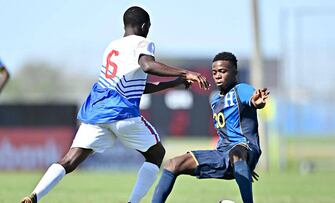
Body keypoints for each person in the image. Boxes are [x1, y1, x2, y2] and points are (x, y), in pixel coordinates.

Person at [21, 6, 209, 203]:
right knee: (156, 154)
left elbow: (137, 87)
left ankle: (35, 195)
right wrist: (185, 73)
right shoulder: (143, 42)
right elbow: (147, 65)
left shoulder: (112, 47)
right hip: (122, 113)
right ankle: (132, 202)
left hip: (97, 112)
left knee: (69, 160)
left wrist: (174, 83)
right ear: (144, 26)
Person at [152, 52, 269, 203]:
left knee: (236, 154)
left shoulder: (241, 89)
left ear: (235, 73)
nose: (218, 76)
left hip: (244, 148)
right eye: (214, 72)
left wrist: (257, 102)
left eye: (223, 71)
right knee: (173, 164)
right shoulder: (215, 100)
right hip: (223, 153)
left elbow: (254, 99)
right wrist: (242, 169)